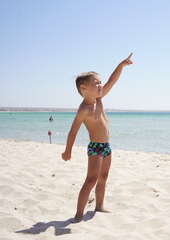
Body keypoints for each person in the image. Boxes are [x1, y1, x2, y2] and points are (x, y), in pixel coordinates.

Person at [61, 53, 133, 223]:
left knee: (103, 177)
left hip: (107, 146)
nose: (100, 85)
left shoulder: (98, 100)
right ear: (83, 88)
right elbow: (73, 132)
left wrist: (121, 65)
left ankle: (99, 205)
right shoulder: (84, 109)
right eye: (96, 83)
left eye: (100, 82)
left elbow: (112, 81)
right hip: (95, 147)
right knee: (91, 179)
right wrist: (67, 151)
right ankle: (79, 214)